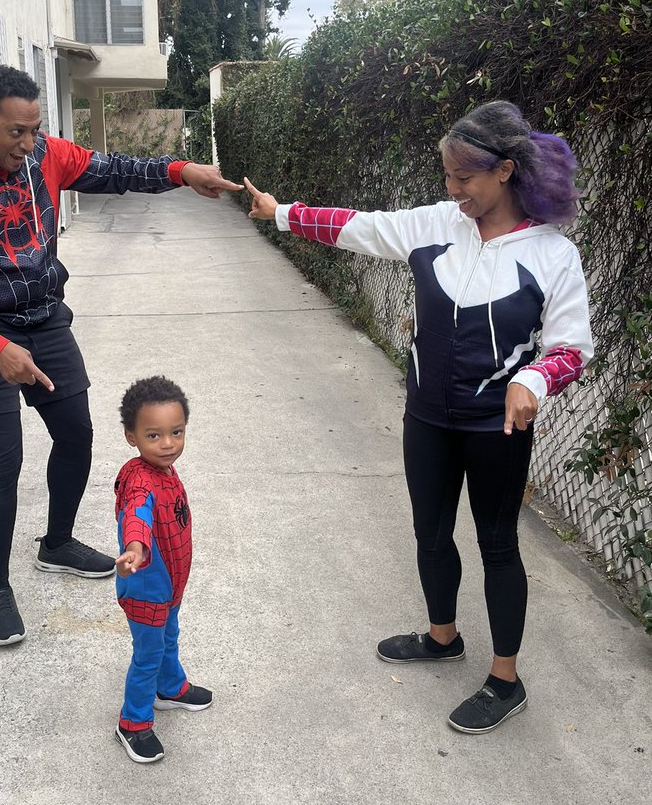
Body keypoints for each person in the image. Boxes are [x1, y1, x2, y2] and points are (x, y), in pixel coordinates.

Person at [243, 100, 593, 734]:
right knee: (430, 533)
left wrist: (535, 379)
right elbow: (360, 226)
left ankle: (505, 680)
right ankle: (442, 637)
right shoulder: (437, 224)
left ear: (506, 171)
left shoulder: (552, 254)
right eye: (448, 176)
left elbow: (572, 346)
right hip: (427, 415)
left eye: (464, 177)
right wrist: (282, 213)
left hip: (497, 428)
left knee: (497, 546)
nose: (453, 189)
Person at [0, 65, 241, 648]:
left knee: (77, 434)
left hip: (45, 318)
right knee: (2, 462)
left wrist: (180, 172)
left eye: (35, 129)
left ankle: (56, 543)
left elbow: (113, 169)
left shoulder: (44, 155)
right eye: (16, 131)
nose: (29, 144)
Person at [113, 376, 211, 764]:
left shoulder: (165, 469)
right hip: (148, 589)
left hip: (171, 586)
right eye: (153, 435)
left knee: (170, 636)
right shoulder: (140, 481)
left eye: (176, 432)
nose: (168, 444)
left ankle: (170, 688)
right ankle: (133, 722)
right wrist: (134, 548)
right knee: (148, 655)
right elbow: (137, 514)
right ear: (131, 437)